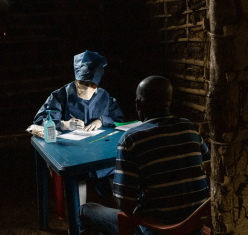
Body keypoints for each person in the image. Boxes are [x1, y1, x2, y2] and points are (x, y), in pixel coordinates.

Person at [77, 75, 211, 235]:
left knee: (86, 210)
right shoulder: (191, 128)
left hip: (155, 229)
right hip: (193, 227)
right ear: (172, 103)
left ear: (138, 104)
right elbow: (210, 172)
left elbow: (125, 206)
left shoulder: (131, 139)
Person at [33, 50, 125, 202]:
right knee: (76, 178)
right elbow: (40, 121)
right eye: (84, 84)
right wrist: (63, 124)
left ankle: (117, 209)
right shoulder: (61, 95)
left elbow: (119, 119)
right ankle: (77, 215)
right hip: (71, 152)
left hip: (100, 150)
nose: (88, 89)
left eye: (93, 85)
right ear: (76, 80)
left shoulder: (104, 96)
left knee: (115, 170)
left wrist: (102, 120)